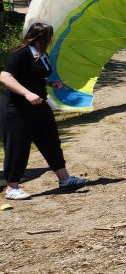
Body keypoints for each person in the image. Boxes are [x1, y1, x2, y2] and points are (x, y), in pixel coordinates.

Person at [1, 22, 87, 200]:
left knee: (50, 140)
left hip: (39, 105)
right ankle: (12, 187)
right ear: (44, 38)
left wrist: (51, 83)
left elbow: (33, 76)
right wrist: (27, 93)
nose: (53, 39)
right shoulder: (21, 53)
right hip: (16, 107)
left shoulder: (41, 54)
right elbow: (5, 76)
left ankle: (65, 179)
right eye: (51, 35)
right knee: (18, 145)